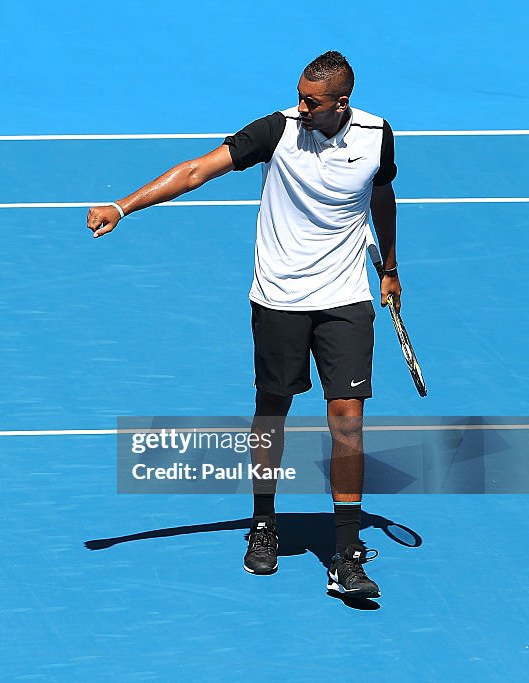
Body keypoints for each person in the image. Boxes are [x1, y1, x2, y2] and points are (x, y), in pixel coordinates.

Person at [86, 51, 398, 599]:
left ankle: (347, 552)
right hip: (279, 296)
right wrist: (124, 206)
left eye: (312, 102)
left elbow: (380, 192)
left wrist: (389, 268)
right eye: (299, 96)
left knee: (348, 420)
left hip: (345, 296)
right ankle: (263, 523)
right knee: (272, 412)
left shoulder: (377, 135)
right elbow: (195, 171)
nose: (301, 107)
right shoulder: (276, 130)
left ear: (341, 103)